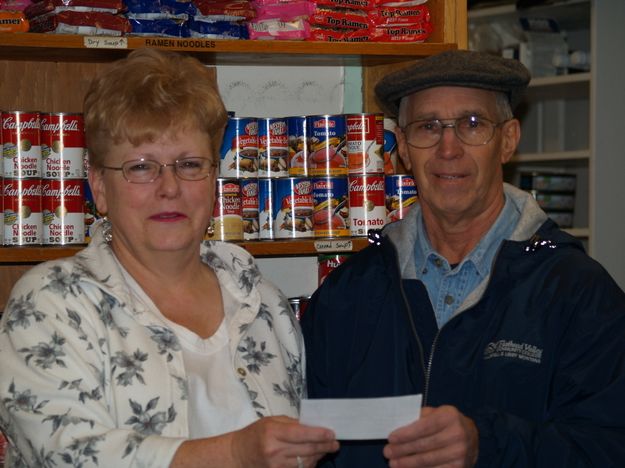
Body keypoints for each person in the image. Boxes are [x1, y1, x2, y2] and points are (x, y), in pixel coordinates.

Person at [0, 48, 338, 467]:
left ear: (214, 177)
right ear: (99, 185)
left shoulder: (263, 304)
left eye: (190, 164)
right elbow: (67, 455)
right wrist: (234, 453)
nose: (169, 187)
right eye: (141, 167)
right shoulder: (51, 305)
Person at [301, 49, 625, 467]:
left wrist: (486, 444)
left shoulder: (577, 292)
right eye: (427, 126)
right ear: (402, 147)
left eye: (472, 125)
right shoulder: (349, 294)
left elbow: (611, 446)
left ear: (508, 140)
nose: (447, 148)